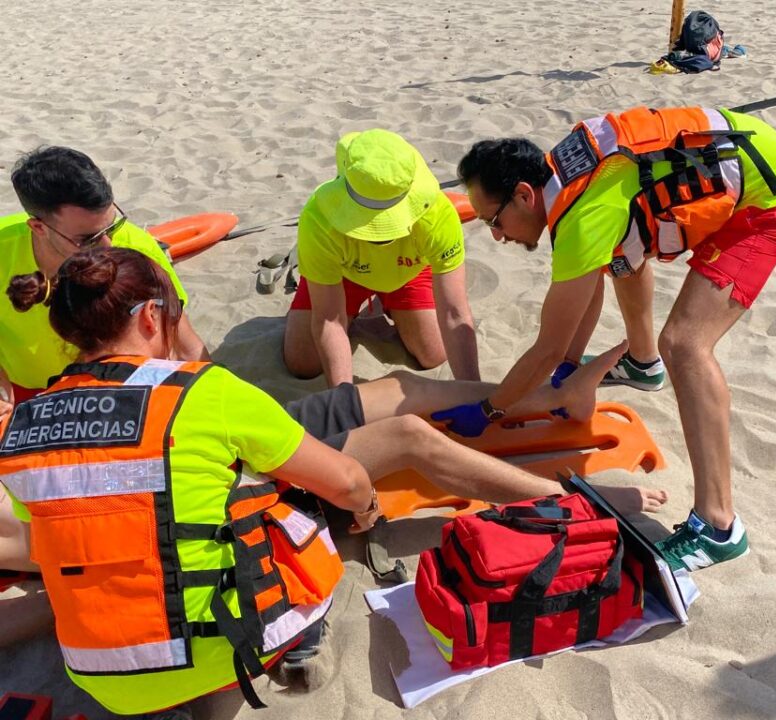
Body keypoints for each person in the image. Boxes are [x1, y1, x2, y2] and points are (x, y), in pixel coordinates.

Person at [0, 247, 666, 714]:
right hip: (225, 645)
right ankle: (573, 500)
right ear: (151, 319)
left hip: (99, 677)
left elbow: (49, 543)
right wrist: (368, 509)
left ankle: (542, 400)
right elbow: (346, 483)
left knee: (377, 397)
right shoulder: (201, 391)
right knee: (403, 436)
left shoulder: (25, 424)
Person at [446, 105, 776, 572]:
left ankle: (718, 526)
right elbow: (589, 282)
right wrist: (569, 370)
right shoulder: (562, 173)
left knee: (684, 344)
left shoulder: (584, 218)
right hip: (752, 155)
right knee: (624, 251)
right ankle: (642, 364)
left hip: (774, 197)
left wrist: (490, 409)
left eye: (493, 221)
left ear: (524, 194)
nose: (498, 237)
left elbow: (546, 349)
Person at [0, 146, 210, 592]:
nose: (110, 247)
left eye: (112, 226)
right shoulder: (3, 249)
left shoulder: (135, 248)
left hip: (118, 402)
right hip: (28, 404)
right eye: (89, 239)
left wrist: (207, 410)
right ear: (38, 227)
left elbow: (185, 345)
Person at [283, 129, 480, 384]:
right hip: (343, 274)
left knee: (433, 354)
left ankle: (388, 305)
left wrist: (474, 391)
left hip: (407, 271)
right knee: (302, 362)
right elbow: (328, 319)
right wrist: (343, 397)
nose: (379, 233)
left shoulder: (437, 213)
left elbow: (454, 312)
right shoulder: (318, 218)